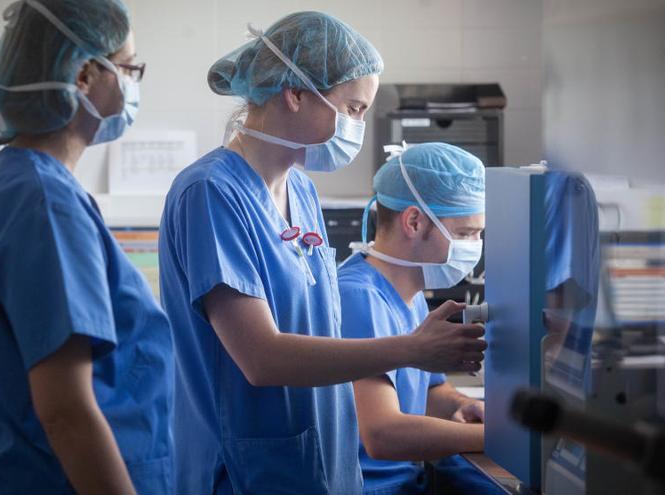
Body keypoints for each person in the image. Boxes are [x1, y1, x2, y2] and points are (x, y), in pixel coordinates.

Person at [158, 12, 486, 495]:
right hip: (248, 474)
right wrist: (412, 350)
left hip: (323, 467)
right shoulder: (210, 193)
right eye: (352, 109)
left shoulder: (303, 194)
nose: (357, 126)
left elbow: (319, 333)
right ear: (295, 93)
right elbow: (261, 358)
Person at [0, 1, 172, 493]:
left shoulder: (15, 181)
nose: (134, 85)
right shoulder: (44, 200)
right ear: (87, 75)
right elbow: (66, 413)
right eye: (130, 68)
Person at [340, 142, 500, 495]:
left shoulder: (410, 295)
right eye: (464, 233)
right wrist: (501, 437)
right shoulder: (359, 297)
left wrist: (464, 406)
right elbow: (382, 434)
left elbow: (429, 391)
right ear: (414, 221)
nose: (474, 246)